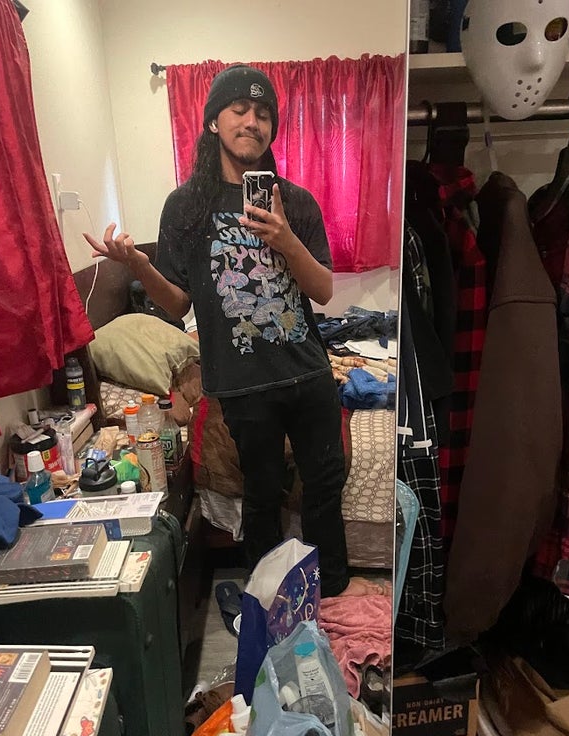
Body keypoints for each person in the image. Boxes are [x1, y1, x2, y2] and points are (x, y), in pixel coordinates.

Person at [85, 64, 381, 598]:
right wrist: (139, 267)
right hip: (242, 385)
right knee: (261, 497)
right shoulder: (185, 207)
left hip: (308, 373)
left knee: (324, 486)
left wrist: (285, 238)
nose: (252, 122)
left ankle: (333, 592)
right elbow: (177, 303)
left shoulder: (295, 202)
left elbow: (322, 290)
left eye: (263, 114)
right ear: (213, 122)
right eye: (239, 110)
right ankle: (267, 597)